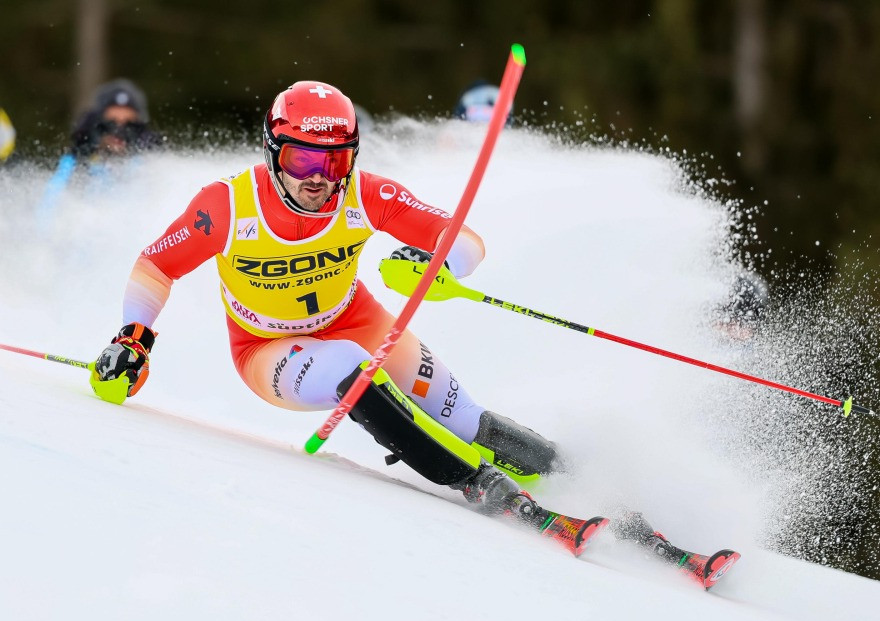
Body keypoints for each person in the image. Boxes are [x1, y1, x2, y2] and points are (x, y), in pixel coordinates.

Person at [92, 82, 729, 576]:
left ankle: (608, 497)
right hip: (267, 348)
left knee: (464, 416)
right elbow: (156, 264)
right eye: (304, 155)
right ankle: (478, 485)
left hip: (359, 319)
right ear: (274, 151)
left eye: (335, 158)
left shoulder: (363, 195)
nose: (319, 175)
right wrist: (133, 338)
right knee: (347, 368)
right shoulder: (228, 205)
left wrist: (437, 265)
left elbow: (465, 240)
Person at [38, 79, 161, 218]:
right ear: (97, 125)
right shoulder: (75, 166)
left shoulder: (150, 167)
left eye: (129, 125)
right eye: (111, 124)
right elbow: (48, 210)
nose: (119, 133)